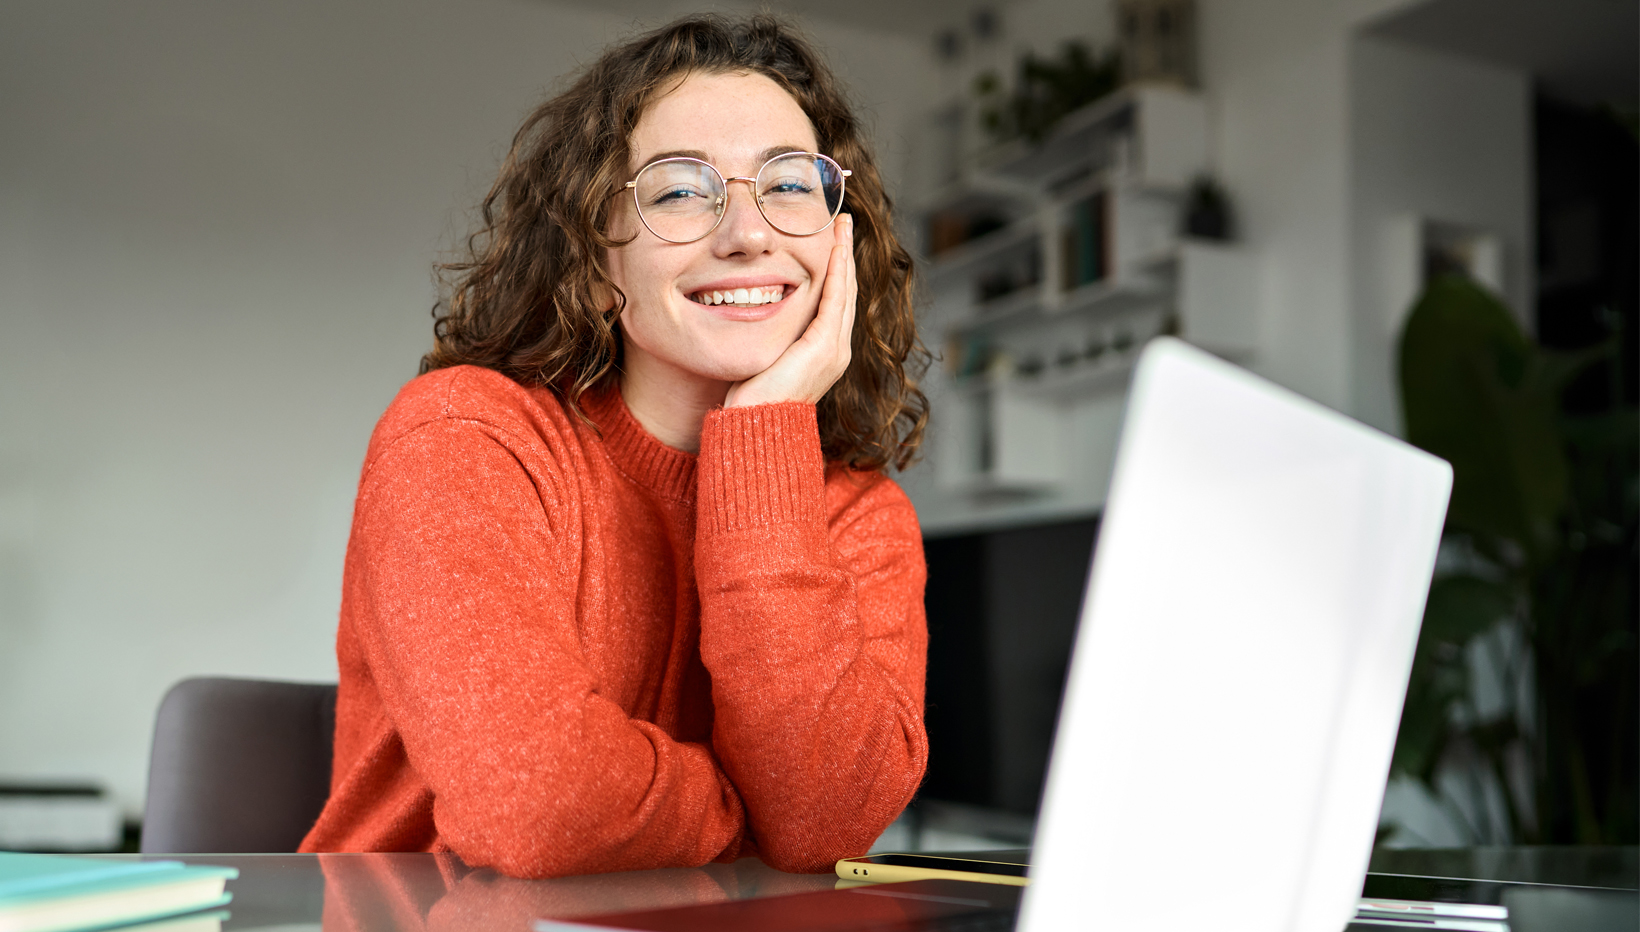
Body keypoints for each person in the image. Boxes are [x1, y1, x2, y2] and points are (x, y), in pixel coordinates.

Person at [299, 14, 931, 880]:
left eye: (789, 184)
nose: (747, 232)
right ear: (598, 267)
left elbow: (826, 821)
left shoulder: (861, 516)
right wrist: (746, 812)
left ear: (839, 238)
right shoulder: (463, 438)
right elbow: (539, 805)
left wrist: (762, 436)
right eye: (679, 191)